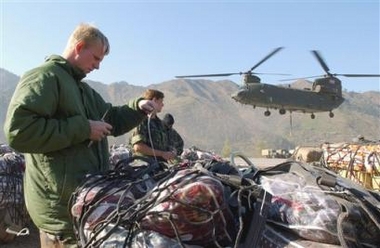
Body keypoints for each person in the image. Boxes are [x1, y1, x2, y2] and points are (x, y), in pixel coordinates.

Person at [3, 23, 157, 248]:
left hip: (84, 206)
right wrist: (84, 129)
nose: (97, 66)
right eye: (96, 58)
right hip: (60, 213)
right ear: (79, 47)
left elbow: (110, 118)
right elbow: (20, 132)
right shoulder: (45, 77)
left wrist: (138, 107)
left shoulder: (84, 90)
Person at [130, 89, 177, 162]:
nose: (162, 104)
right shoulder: (142, 121)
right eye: (161, 101)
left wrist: (172, 151)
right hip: (145, 166)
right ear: (154, 100)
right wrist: (162, 154)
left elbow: (165, 145)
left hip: (159, 166)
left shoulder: (160, 124)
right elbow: (138, 147)